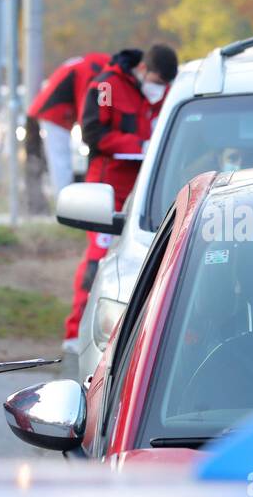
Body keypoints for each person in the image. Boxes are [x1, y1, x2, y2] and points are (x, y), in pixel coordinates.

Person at [63, 44, 177, 351]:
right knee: (97, 260)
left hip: (144, 188)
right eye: (156, 81)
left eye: (164, 85)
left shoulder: (164, 93)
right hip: (108, 188)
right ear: (143, 70)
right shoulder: (106, 86)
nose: (159, 89)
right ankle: (75, 334)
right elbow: (92, 133)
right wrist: (138, 144)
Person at [27, 52, 112, 194]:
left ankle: (61, 199)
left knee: (58, 161)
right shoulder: (95, 70)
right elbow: (85, 102)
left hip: (51, 110)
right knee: (61, 163)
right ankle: (64, 202)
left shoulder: (93, 64)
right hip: (52, 112)